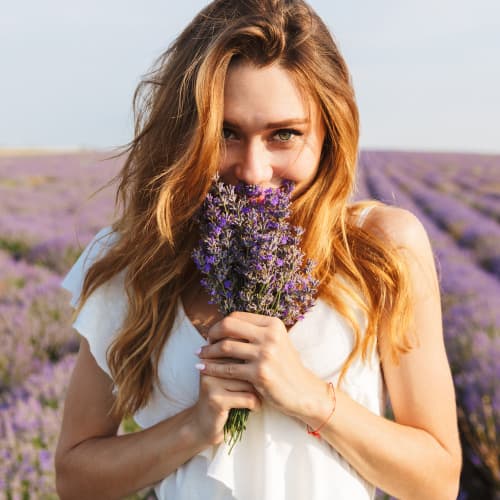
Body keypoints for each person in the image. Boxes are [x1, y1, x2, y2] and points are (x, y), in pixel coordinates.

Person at [54, 1, 462, 499]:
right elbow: (75, 478)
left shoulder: (382, 247)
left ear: (329, 131)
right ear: (188, 131)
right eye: (225, 133)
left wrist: (309, 397)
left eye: (283, 135)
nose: (253, 169)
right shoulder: (136, 257)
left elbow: (439, 481)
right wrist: (195, 428)